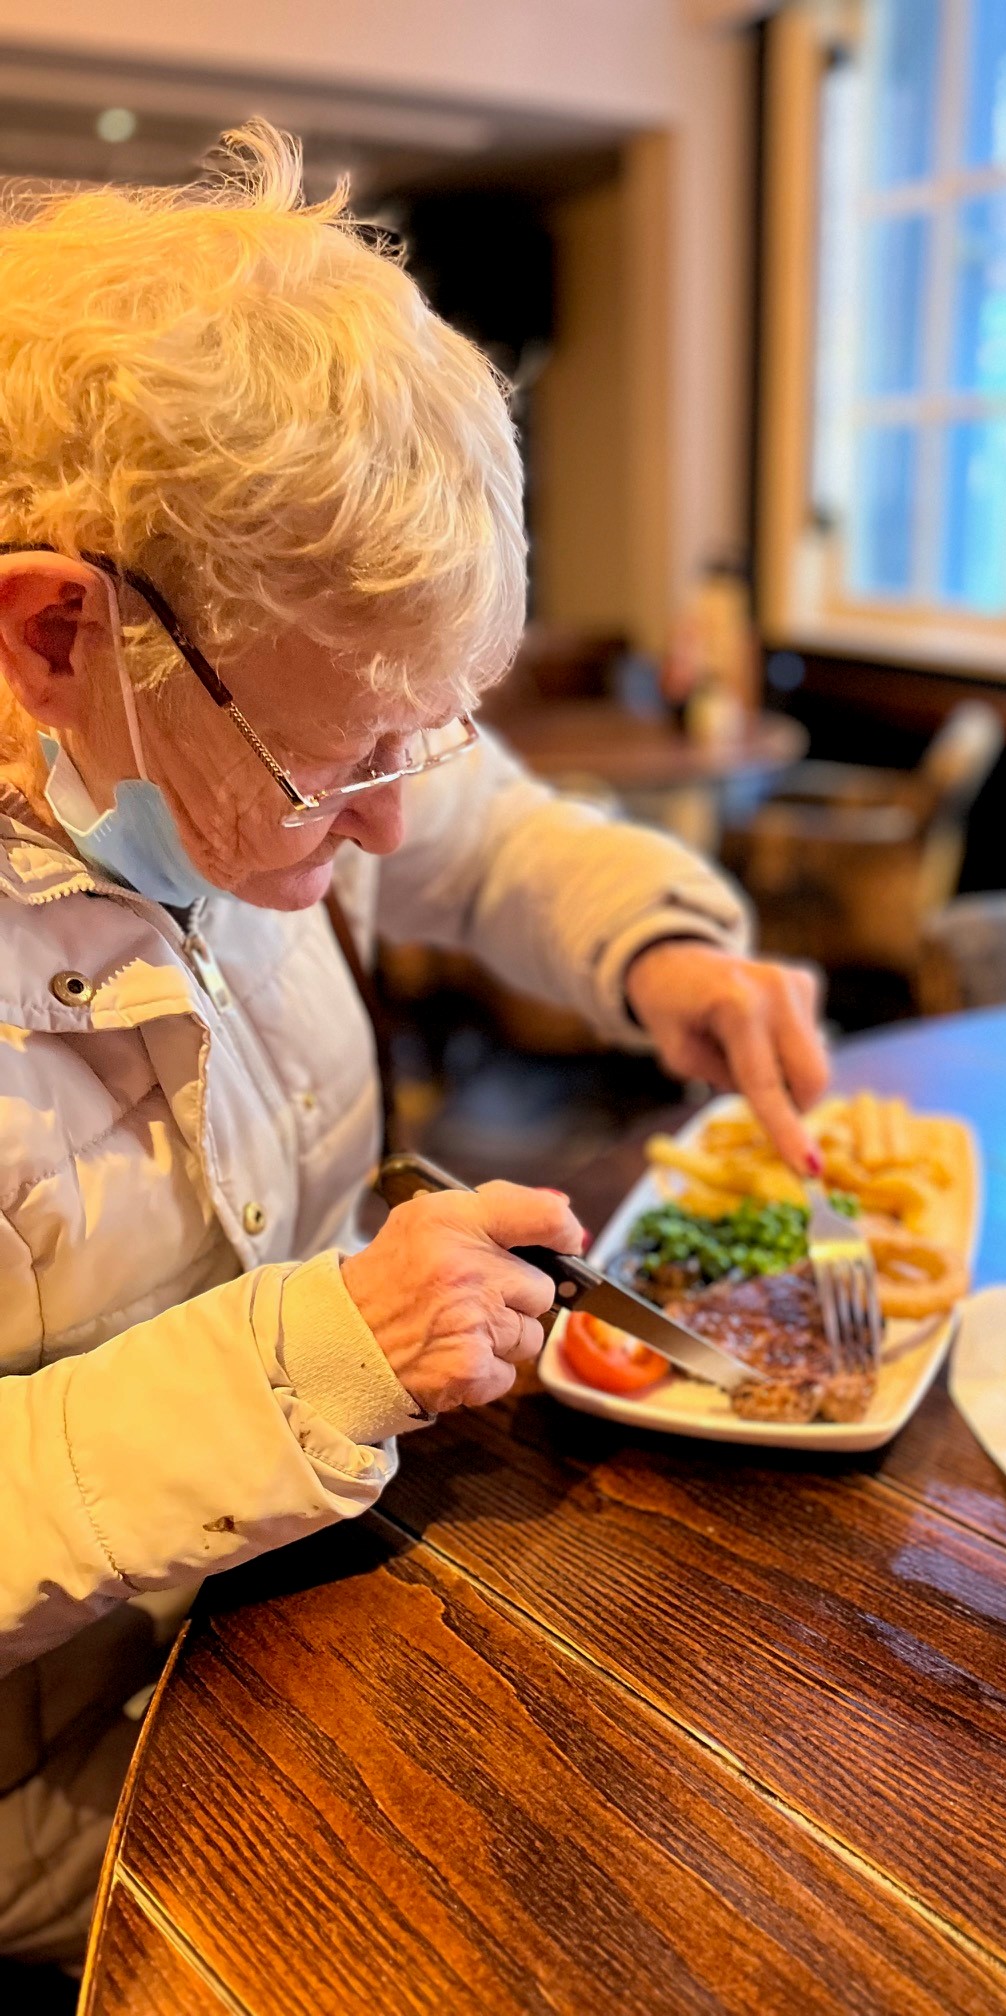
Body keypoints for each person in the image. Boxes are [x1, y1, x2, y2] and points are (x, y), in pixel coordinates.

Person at [0, 124, 829, 1968]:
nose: (382, 825)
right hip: (66, 1822)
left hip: (289, 1609)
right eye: (332, 764)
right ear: (58, 631)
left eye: (416, 736)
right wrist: (314, 1358)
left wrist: (660, 948)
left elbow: (477, 825)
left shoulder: (232, 717)